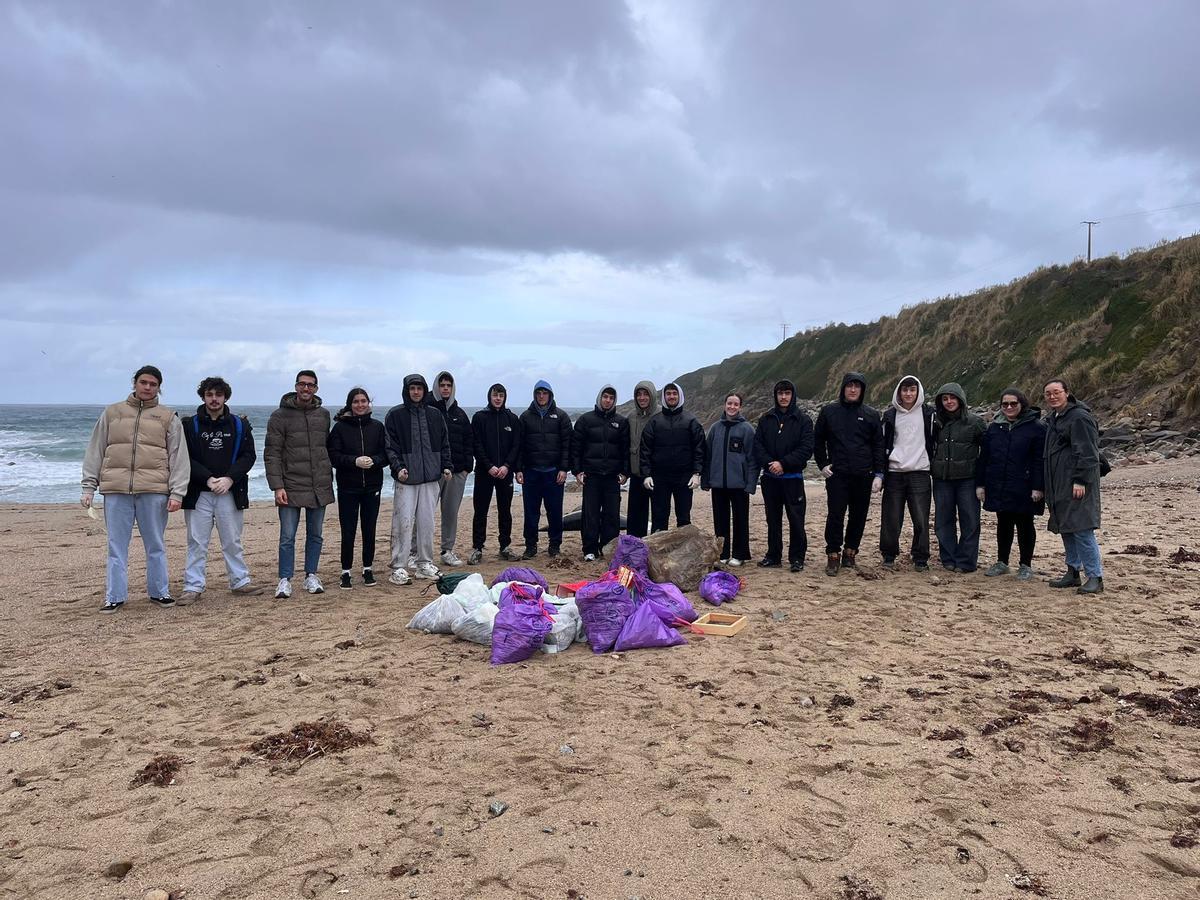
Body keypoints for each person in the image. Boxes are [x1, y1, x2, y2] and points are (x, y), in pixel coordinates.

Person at [81, 365, 189, 613]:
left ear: (159, 387)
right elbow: (96, 450)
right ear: (135, 383)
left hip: (154, 490)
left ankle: (159, 592)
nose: (148, 387)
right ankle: (114, 596)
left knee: (155, 545)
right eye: (143, 382)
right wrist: (88, 486)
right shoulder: (112, 413)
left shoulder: (168, 417)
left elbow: (178, 457)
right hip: (116, 489)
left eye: (153, 384)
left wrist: (177, 493)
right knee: (116, 546)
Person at [179, 376, 261, 606]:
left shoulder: (239, 425)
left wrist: (229, 479)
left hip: (230, 491)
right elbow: (184, 457)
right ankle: (193, 586)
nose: (214, 399)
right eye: (209, 395)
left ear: (225, 397)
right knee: (196, 542)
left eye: (218, 395)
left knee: (232, 540)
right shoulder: (189, 425)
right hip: (199, 492)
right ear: (203, 397)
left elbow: (248, 456)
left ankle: (240, 581)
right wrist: (207, 478)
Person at [265, 370, 334, 598]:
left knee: (315, 535)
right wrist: (277, 486)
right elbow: (272, 453)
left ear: (316, 388)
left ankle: (311, 575)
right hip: (290, 485)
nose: (306, 388)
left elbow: (327, 447)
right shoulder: (279, 416)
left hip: (318, 485)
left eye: (310, 385)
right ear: (296, 386)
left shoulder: (323, 415)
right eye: (302, 384)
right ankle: (285, 579)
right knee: (287, 536)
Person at [813, 372, 885, 576]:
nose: (853, 390)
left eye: (857, 386)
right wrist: (822, 464)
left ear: (862, 390)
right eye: (849, 386)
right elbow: (818, 440)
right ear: (843, 388)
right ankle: (833, 554)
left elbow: (878, 445)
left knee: (858, 516)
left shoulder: (871, 414)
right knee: (835, 515)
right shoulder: (829, 412)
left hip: (863, 475)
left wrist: (879, 474)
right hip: (837, 474)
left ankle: (850, 552)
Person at [384, 374, 452, 584]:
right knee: (403, 523)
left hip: (431, 478)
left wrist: (446, 465)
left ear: (424, 390)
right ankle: (399, 566)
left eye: (419, 388)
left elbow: (444, 443)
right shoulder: (395, 415)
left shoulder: (434, 414)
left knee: (427, 523)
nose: (416, 392)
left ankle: (424, 563)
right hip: (406, 478)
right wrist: (398, 467)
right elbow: (390, 446)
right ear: (407, 391)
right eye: (412, 388)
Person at [1042, 379, 1105, 594]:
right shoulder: (1055, 418)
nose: (1052, 397)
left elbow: (1088, 452)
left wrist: (1081, 480)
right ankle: (1073, 572)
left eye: (1056, 392)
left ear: (1067, 393)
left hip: (1077, 483)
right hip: (1059, 483)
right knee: (1067, 528)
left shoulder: (1079, 417)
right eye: (1048, 394)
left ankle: (1095, 577)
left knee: (1082, 529)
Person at [977, 388, 1046, 582]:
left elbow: (1039, 460)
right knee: (1003, 523)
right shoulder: (994, 428)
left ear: (1022, 404)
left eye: (1013, 403)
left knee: (1025, 524)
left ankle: (1026, 565)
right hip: (998, 483)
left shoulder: (1036, 427)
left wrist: (1038, 486)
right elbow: (984, 458)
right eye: (1005, 404)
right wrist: (980, 484)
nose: (1009, 407)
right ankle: (1002, 562)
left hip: (1024, 484)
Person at [327, 387, 387, 590]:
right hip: (348, 487)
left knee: (369, 529)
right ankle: (346, 571)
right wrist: (354, 461)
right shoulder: (340, 428)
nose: (360, 405)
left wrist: (374, 460)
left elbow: (386, 454)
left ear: (368, 403)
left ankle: (367, 568)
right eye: (356, 401)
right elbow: (334, 456)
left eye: (363, 401)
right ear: (350, 404)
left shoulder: (377, 427)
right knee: (348, 530)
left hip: (372, 486)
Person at [752, 381, 812, 571]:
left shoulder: (803, 420)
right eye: (780, 393)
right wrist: (770, 463)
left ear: (793, 395)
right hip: (770, 479)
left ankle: (797, 558)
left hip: (793, 478)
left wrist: (783, 463)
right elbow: (757, 445)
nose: (783, 397)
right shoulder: (766, 419)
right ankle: (773, 555)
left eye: (787, 393)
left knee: (796, 519)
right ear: (775, 395)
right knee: (773, 519)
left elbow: (806, 448)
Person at [879, 375, 937, 571]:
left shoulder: (929, 414)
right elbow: (883, 443)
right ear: (899, 392)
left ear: (918, 391)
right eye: (905, 390)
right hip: (895, 472)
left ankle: (920, 557)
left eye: (912, 390)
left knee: (921, 518)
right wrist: (880, 473)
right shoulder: (890, 415)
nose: (908, 394)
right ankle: (889, 555)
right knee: (891, 518)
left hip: (920, 472)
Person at [931, 382, 986, 573]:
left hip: (967, 479)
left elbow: (987, 451)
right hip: (942, 479)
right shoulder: (935, 422)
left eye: (952, 398)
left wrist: (983, 480)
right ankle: (948, 558)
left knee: (970, 521)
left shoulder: (975, 422)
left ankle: (966, 562)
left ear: (960, 399)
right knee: (943, 521)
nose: (949, 402)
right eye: (945, 399)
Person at [571, 384, 630, 561]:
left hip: (612, 477)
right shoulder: (585, 420)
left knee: (612, 515)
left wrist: (625, 473)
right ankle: (589, 549)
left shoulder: (621, 422)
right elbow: (576, 448)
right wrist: (577, 471)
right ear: (599, 398)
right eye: (605, 397)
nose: (608, 400)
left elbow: (626, 450)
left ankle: (607, 547)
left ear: (614, 401)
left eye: (611, 398)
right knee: (590, 514)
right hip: (592, 476)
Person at [702, 392, 761, 566]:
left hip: (739, 485)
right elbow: (707, 456)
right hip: (718, 484)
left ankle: (740, 554)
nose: (732, 407)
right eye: (729, 403)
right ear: (724, 405)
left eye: (736, 404)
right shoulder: (715, 428)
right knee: (720, 520)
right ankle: (723, 552)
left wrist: (751, 484)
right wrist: (706, 480)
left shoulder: (747, 429)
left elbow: (753, 459)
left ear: (740, 407)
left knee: (740, 520)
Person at [639, 381, 705, 532]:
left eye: (674, 393)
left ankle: (684, 545)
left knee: (684, 516)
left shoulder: (691, 421)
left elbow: (699, 448)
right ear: (664, 397)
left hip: (684, 477)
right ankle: (658, 546)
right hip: (659, 477)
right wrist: (646, 474)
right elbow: (645, 450)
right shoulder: (654, 421)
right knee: (659, 517)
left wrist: (696, 473)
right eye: (668, 393)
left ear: (680, 396)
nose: (671, 396)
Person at [516, 380, 572, 558]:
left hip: (553, 473)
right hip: (531, 473)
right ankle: (530, 546)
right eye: (538, 393)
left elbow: (567, 445)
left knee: (554, 511)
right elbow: (519, 446)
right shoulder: (525, 417)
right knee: (531, 512)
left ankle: (554, 545)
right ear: (534, 395)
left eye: (545, 393)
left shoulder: (561, 416)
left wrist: (564, 469)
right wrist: (519, 469)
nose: (541, 396)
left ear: (550, 395)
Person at [470, 384, 520, 563]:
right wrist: (489, 466)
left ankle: (505, 546)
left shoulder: (512, 419)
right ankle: (477, 548)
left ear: (505, 397)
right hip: (485, 472)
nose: (498, 398)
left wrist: (507, 466)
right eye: (495, 395)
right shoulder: (479, 417)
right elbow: (476, 444)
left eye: (501, 395)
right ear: (489, 396)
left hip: (505, 473)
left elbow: (516, 445)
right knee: (480, 510)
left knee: (505, 510)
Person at [430, 371, 474, 567]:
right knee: (424, 514)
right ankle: (416, 553)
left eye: (449, 385)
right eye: (442, 385)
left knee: (450, 514)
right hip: (433, 472)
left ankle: (447, 551)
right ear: (436, 387)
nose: (445, 388)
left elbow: (468, 441)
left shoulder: (459, 414)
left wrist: (467, 468)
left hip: (456, 472)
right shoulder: (428, 409)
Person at [626, 380, 658, 538]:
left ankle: (656, 545)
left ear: (652, 395)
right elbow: (625, 444)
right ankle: (634, 545)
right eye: (639, 394)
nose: (642, 397)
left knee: (658, 515)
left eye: (646, 394)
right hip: (636, 473)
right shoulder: (631, 417)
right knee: (635, 516)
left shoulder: (661, 414)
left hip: (655, 474)